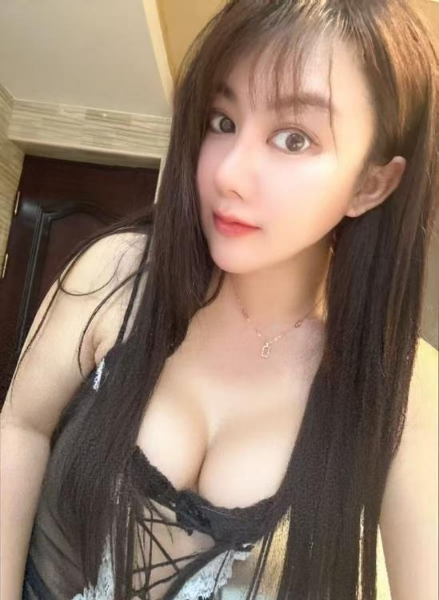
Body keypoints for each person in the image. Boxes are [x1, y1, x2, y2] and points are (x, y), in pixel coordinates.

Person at [1, 0, 438, 599]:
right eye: (223, 121)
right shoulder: (119, 274)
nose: (228, 173)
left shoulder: (404, 387)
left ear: (371, 183)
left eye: (293, 138)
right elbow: (20, 428)